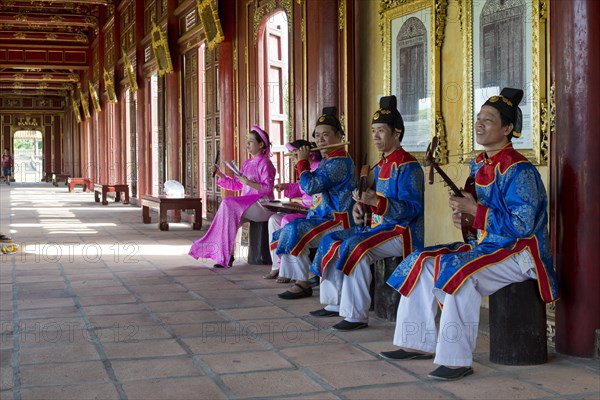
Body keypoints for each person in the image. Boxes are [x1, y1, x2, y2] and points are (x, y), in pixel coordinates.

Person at [381, 88, 559, 381]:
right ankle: (416, 342)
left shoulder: (520, 171)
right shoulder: (480, 165)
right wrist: (464, 216)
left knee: (461, 273)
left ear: (508, 128)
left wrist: (475, 212)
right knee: (421, 260)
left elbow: (523, 226)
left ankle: (455, 360)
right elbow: (477, 216)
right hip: (489, 246)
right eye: (479, 117)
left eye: (488, 119)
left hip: (521, 253)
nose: (479, 123)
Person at [308, 95, 424, 331]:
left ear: (397, 133)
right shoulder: (381, 164)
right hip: (381, 227)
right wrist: (363, 206)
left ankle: (356, 314)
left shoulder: (408, 165)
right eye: (373, 131)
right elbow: (374, 202)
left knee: (358, 247)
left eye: (381, 131)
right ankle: (333, 302)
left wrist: (377, 202)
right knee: (332, 240)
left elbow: (412, 210)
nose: (376, 137)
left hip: (402, 232)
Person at [272, 107, 357, 299]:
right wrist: (302, 163)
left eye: (326, 135)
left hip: (338, 220)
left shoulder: (339, 162)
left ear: (339, 135)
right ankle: (300, 279)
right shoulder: (329, 160)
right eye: (317, 136)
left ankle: (302, 282)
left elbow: (310, 186)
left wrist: (302, 163)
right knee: (289, 228)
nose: (320, 140)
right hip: (323, 217)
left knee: (295, 229)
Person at [189, 125, 276, 268]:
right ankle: (226, 255)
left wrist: (248, 182)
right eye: (247, 141)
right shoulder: (247, 163)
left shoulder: (265, 163)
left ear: (261, 145)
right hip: (248, 205)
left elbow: (268, 188)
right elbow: (236, 185)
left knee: (228, 203)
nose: (247, 144)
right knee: (226, 219)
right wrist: (220, 174)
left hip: (263, 205)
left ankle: (224, 254)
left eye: (251, 142)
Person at [264, 139, 321, 283]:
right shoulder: (304, 168)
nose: (295, 158)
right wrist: (287, 187)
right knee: (274, 219)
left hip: (314, 213)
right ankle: (276, 265)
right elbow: (300, 187)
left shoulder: (318, 167)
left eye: (296, 154)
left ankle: (287, 270)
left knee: (286, 220)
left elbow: (312, 190)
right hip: (303, 210)